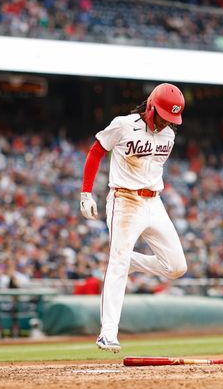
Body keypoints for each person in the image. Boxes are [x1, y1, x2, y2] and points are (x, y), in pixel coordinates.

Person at [80, 83, 188, 352]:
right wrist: (86, 193)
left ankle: (126, 260)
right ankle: (108, 333)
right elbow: (96, 152)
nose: (167, 122)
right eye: (164, 115)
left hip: (154, 202)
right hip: (124, 199)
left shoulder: (169, 137)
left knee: (176, 267)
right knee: (116, 262)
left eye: (172, 118)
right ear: (151, 107)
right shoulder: (123, 125)